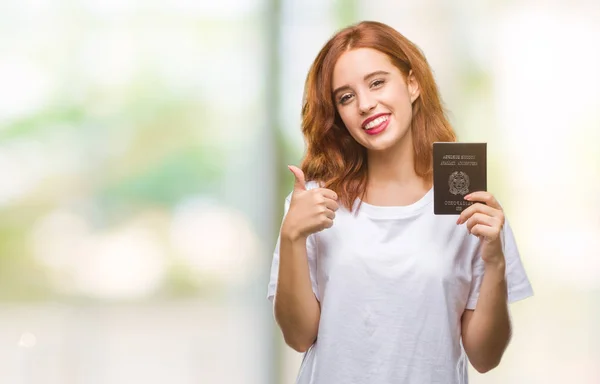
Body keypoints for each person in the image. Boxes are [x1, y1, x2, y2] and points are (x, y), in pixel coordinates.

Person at [267, 20, 533, 384]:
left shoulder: (468, 203)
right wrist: (292, 236)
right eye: (346, 97)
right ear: (338, 114)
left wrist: (495, 262)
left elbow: (485, 358)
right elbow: (298, 337)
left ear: (412, 84)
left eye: (377, 82)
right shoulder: (314, 201)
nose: (364, 104)